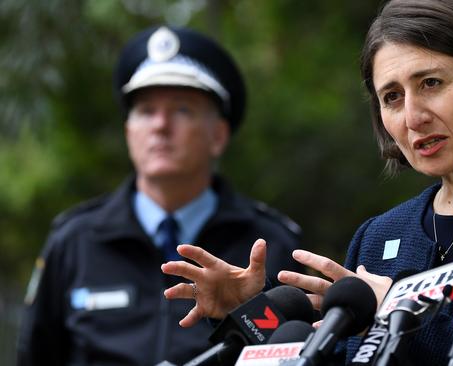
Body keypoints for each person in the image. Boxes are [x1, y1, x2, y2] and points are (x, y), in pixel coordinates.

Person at [161, 0, 453, 364]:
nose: (413, 116)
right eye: (392, 97)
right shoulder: (379, 236)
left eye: (431, 83)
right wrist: (258, 320)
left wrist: (402, 311)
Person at [16, 26, 304, 366]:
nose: (160, 126)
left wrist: (244, 313)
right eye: (146, 111)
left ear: (218, 135)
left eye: (182, 110)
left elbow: (300, 355)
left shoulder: (270, 243)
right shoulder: (74, 241)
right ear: (128, 132)